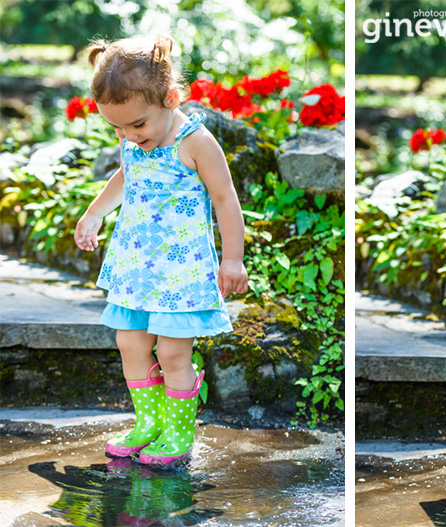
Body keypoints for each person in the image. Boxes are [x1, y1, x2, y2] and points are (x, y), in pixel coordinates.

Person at [74, 35, 248, 466]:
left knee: (172, 352)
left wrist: (232, 259)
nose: (128, 136)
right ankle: (148, 422)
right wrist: (94, 213)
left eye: (136, 126)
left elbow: (226, 199)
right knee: (129, 342)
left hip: (180, 271)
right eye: (117, 128)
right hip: (136, 265)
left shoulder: (196, 142)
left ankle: (176, 432)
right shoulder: (135, 140)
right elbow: (124, 175)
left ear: (171, 98)